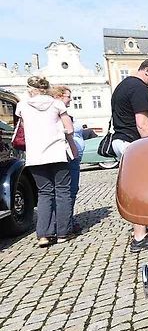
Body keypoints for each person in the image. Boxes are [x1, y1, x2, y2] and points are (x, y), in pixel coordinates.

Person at [111, 58, 148, 252]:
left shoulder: (124, 86)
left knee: (136, 186)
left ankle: (142, 230)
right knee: (141, 189)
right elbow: (142, 123)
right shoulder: (139, 89)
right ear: (147, 71)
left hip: (122, 140)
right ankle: (139, 237)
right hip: (133, 142)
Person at [15, 76, 78, 246]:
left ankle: (43, 234)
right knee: (63, 191)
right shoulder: (56, 104)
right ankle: (63, 233)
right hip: (57, 152)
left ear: (30, 89)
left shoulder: (22, 106)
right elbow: (70, 130)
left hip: (35, 156)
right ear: (47, 88)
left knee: (44, 193)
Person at [51, 86, 85, 234]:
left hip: (68, 155)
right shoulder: (58, 114)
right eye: (68, 96)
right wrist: (74, 151)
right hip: (68, 156)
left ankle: (63, 221)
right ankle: (65, 222)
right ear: (59, 96)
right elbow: (68, 134)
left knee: (66, 190)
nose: (70, 99)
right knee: (68, 190)